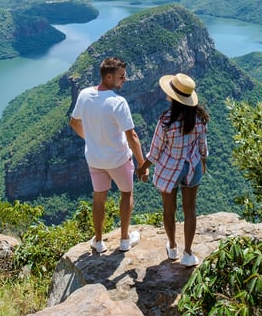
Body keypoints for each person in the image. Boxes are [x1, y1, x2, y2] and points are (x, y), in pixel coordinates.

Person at [70, 56, 149, 253]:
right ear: (108, 77)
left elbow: (74, 122)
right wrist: (142, 164)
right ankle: (124, 240)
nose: (125, 79)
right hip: (118, 159)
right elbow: (132, 135)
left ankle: (98, 241)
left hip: (94, 159)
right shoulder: (118, 102)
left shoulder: (84, 94)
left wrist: (90, 139)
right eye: (121, 77)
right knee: (126, 194)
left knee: (99, 198)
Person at [143, 73, 209, 267]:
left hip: (170, 169)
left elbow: (155, 151)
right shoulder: (200, 118)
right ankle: (188, 253)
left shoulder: (166, 121)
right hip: (192, 167)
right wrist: (202, 163)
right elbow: (202, 146)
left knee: (169, 210)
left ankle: (172, 247)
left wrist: (142, 167)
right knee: (190, 210)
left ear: (173, 97)